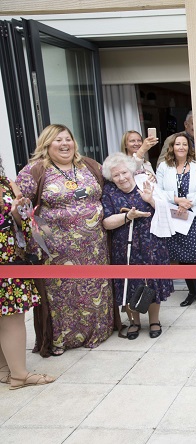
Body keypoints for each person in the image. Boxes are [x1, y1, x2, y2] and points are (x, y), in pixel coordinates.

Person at [16, 124, 114, 356]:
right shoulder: (34, 171)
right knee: (63, 295)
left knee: (94, 288)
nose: (64, 144)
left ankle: (98, 332)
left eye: (68, 139)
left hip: (94, 247)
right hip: (56, 249)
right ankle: (61, 339)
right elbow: (18, 204)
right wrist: (19, 212)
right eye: (58, 140)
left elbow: (118, 179)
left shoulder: (89, 165)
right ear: (46, 144)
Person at [102, 153, 174, 339]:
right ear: (111, 177)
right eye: (116, 175)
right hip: (123, 245)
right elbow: (106, 222)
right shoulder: (109, 192)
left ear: (131, 171)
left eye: (124, 172)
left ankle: (154, 321)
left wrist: (150, 199)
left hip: (151, 243)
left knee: (151, 282)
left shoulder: (145, 183)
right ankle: (133, 322)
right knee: (127, 283)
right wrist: (127, 217)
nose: (122, 178)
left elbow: (166, 209)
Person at [0, 155, 55, 389]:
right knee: (12, 318)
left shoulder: (5, 182)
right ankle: (20, 375)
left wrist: (17, 212)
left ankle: (7, 370)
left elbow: (23, 222)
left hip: (11, 256)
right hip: (5, 261)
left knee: (7, 316)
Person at [155, 132, 196, 315]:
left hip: (193, 217)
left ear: (189, 147)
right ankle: (192, 292)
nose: (181, 147)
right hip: (174, 217)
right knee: (183, 257)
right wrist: (177, 200)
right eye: (178, 144)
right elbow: (158, 191)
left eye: (184, 144)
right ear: (172, 147)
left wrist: (188, 203)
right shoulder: (164, 166)